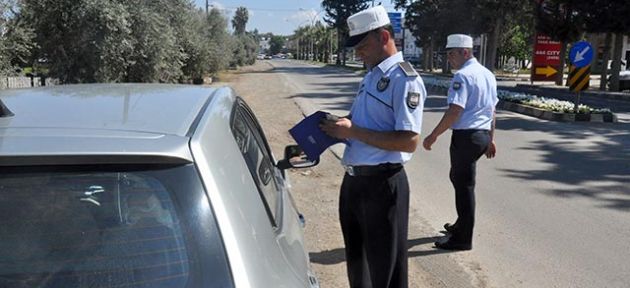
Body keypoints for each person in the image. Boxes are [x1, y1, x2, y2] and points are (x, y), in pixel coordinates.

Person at [319, 6, 426, 288]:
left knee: (386, 272)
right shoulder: (371, 75)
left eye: (363, 46)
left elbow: (409, 141)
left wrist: (353, 131)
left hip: (382, 184)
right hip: (354, 182)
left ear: (384, 36)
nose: (359, 53)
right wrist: (338, 129)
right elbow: (362, 123)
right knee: (357, 264)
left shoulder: (405, 79)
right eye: (356, 47)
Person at [422, 34, 498, 251]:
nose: (449, 59)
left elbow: (455, 110)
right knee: (460, 180)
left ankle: (463, 239)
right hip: (481, 135)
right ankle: (461, 224)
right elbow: (492, 111)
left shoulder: (462, 76)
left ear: (465, 52)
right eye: (447, 54)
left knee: (464, 187)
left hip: (467, 137)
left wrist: (433, 135)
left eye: (451, 54)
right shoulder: (487, 75)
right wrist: (490, 140)